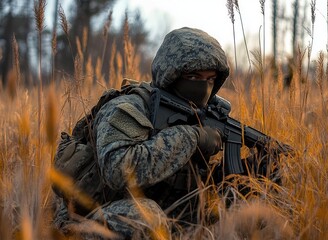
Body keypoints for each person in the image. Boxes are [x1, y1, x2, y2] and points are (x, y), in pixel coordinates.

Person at [53, 27, 230, 239]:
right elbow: (117, 170)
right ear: (170, 74)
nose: (204, 87)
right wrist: (190, 137)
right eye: (193, 77)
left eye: (211, 79)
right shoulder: (128, 107)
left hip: (165, 217)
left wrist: (239, 178)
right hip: (89, 217)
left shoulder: (198, 115)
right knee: (146, 217)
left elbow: (190, 190)